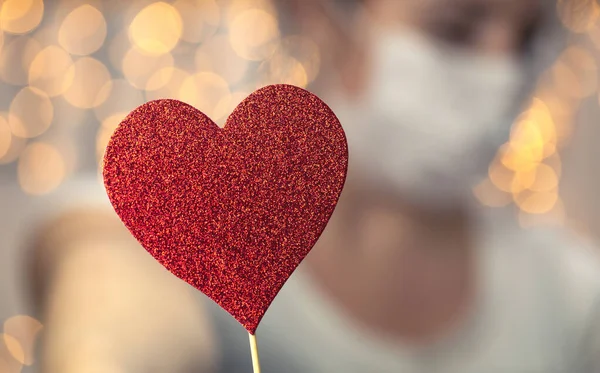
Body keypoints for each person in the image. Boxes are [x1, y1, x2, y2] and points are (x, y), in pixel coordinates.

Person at [25, 0, 600, 372]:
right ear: (321, 17)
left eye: (528, 43)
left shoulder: (572, 297)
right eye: (457, 28)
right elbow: (111, 288)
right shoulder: (168, 208)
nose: (502, 71)